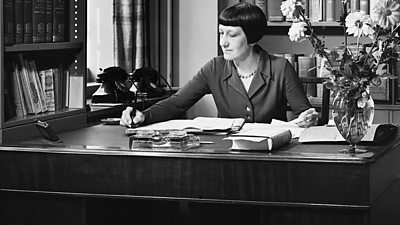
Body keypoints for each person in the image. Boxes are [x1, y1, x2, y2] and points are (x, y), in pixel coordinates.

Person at [120, 2, 318, 128]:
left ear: (252, 38)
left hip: (273, 157)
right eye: (221, 33)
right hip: (226, 155)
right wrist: (143, 116)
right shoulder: (214, 67)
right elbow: (176, 103)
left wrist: (307, 119)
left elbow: (304, 114)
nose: (223, 42)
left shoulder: (280, 67)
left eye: (232, 35)